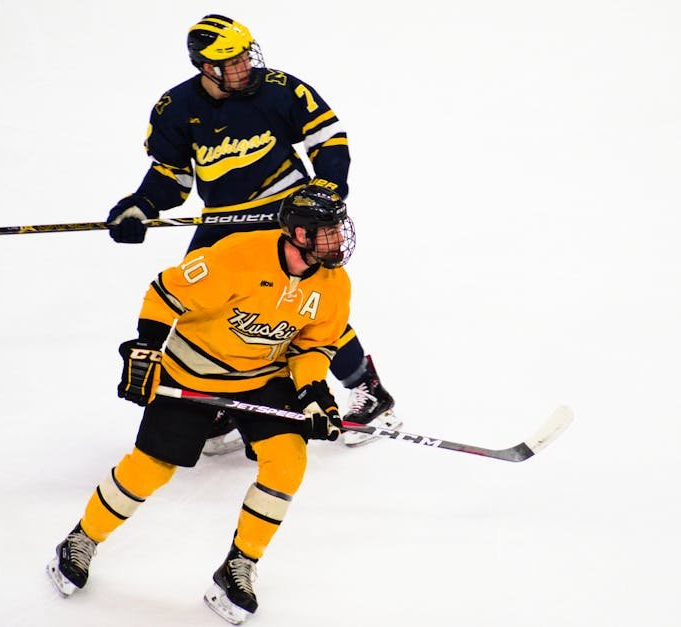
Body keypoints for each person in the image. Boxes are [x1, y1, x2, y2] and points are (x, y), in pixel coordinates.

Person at [48, 184, 354, 624]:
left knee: (288, 461)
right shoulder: (235, 256)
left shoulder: (334, 284)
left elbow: (313, 346)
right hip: (193, 371)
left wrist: (314, 395)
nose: (339, 240)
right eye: (328, 231)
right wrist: (147, 348)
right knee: (151, 466)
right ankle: (82, 539)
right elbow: (163, 293)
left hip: (260, 378)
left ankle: (238, 566)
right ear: (300, 234)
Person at [103, 13, 397, 451]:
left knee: (308, 301)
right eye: (232, 61)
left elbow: (329, 140)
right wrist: (142, 204)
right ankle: (227, 397)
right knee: (198, 302)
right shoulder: (176, 109)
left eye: (245, 56)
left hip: (289, 211)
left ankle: (366, 389)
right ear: (206, 67)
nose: (245, 66)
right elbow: (172, 175)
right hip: (226, 219)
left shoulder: (280, 89)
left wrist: (328, 189)